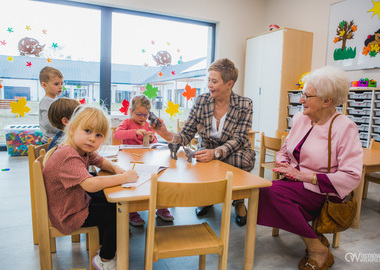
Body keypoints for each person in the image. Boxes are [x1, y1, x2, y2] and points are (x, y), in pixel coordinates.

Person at [257, 66, 363, 270]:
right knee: (261, 191)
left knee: (268, 192)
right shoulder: (300, 119)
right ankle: (315, 241)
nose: (300, 100)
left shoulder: (344, 127)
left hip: (321, 190)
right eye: (301, 94)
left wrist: (306, 176)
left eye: (307, 96)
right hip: (295, 184)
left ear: (327, 101)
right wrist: (284, 163)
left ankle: (316, 249)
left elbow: (352, 175)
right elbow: (285, 150)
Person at [152, 58, 255, 226]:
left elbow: (240, 138)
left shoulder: (245, 104)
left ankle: (238, 200)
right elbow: (185, 135)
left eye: (214, 81)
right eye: (208, 80)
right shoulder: (201, 101)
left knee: (238, 162)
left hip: (235, 152)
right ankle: (209, 198)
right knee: (200, 161)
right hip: (205, 151)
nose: (209, 85)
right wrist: (165, 133)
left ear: (230, 84)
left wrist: (215, 153)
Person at [43, 105, 138, 270]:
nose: (93, 138)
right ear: (72, 129)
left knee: (111, 202)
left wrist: (116, 168)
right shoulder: (68, 155)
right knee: (115, 213)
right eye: (87, 131)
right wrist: (123, 177)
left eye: (98, 135)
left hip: (71, 202)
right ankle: (105, 259)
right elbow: (90, 185)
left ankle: (104, 243)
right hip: (67, 214)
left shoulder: (79, 148)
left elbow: (100, 160)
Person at [114, 95, 174, 226]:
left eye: (145, 115)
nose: (142, 117)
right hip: (129, 159)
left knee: (155, 178)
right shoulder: (127, 123)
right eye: (139, 114)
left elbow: (155, 142)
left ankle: (161, 206)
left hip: (146, 158)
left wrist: (152, 138)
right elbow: (117, 134)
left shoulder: (148, 125)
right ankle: (132, 210)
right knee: (132, 182)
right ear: (131, 111)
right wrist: (135, 132)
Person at [39, 66, 63, 143]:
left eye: (61, 83)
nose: (60, 87)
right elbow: (47, 124)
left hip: (57, 139)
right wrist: (63, 128)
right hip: (50, 141)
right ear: (44, 85)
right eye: (56, 84)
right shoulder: (46, 102)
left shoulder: (54, 101)